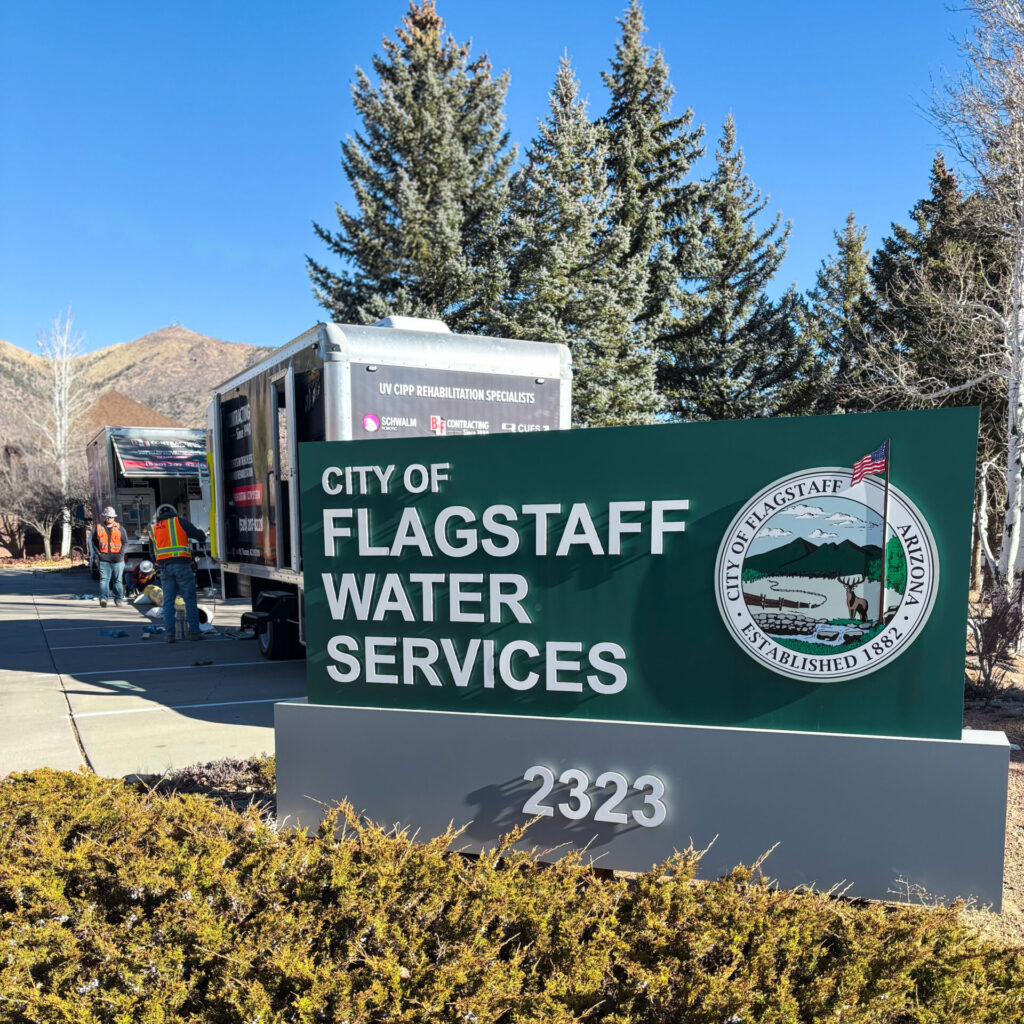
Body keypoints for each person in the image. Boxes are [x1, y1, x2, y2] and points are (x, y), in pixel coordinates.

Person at [149, 503, 207, 642]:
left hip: (164, 568)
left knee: (168, 603)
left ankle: (170, 635)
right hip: (182, 566)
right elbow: (200, 536)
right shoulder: (179, 522)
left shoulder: (154, 529)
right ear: (174, 513)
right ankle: (194, 633)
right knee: (189, 600)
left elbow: (152, 553)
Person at [90, 505, 125, 608]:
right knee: (104, 580)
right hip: (104, 559)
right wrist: (98, 554)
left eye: (112, 517)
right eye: (108, 517)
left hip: (118, 560)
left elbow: (125, 542)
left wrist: (121, 554)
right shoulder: (99, 528)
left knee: (117, 581)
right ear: (104, 517)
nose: (110, 519)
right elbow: (94, 542)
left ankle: (118, 600)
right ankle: (103, 599)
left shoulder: (120, 528)